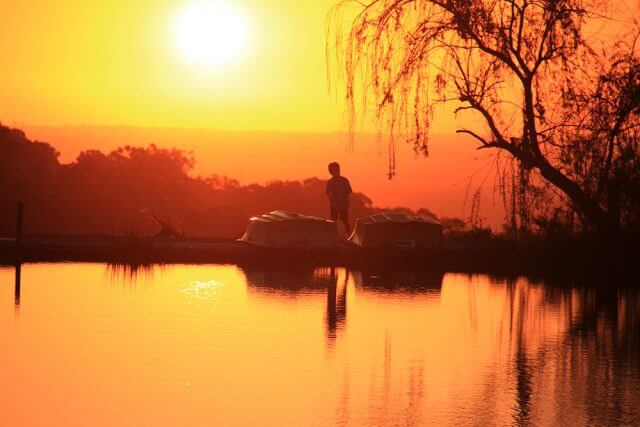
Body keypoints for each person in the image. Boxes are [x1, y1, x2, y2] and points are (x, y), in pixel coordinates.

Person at [326, 162, 352, 236]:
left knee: (345, 220)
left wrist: (343, 195)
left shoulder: (344, 180)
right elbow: (327, 192)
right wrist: (332, 195)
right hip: (334, 204)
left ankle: (349, 236)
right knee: (334, 221)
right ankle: (334, 236)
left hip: (343, 204)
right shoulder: (330, 182)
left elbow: (349, 190)